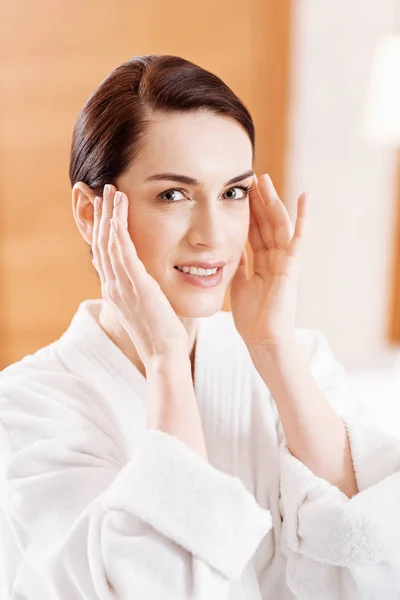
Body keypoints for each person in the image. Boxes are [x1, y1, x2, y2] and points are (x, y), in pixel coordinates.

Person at [0, 54, 399, 600]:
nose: (213, 235)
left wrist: (274, 349)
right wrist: (165, 359)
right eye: (174, 194)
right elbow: (159, 586)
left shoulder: (295, 357)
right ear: (92, 215)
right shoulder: (27, 409)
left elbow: (372, 559)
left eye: (233, 193)